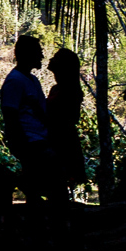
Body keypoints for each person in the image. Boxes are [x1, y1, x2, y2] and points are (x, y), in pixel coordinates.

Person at [0, 35, 59, 203]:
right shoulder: (15, 81)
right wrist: (20, 143)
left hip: (38, 138)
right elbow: (10, 115)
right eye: (38, 52)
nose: (41, 56)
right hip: (30, 140)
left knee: (38, 181)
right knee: (46, 177)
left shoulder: (32, 80)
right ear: (27, 54)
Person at [46, 48, 87, 195]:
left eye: (55, 58)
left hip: (62, 140)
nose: (51, 60)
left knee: (58, 180)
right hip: (59, 138)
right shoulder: (58, 89)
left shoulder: (68, 91)